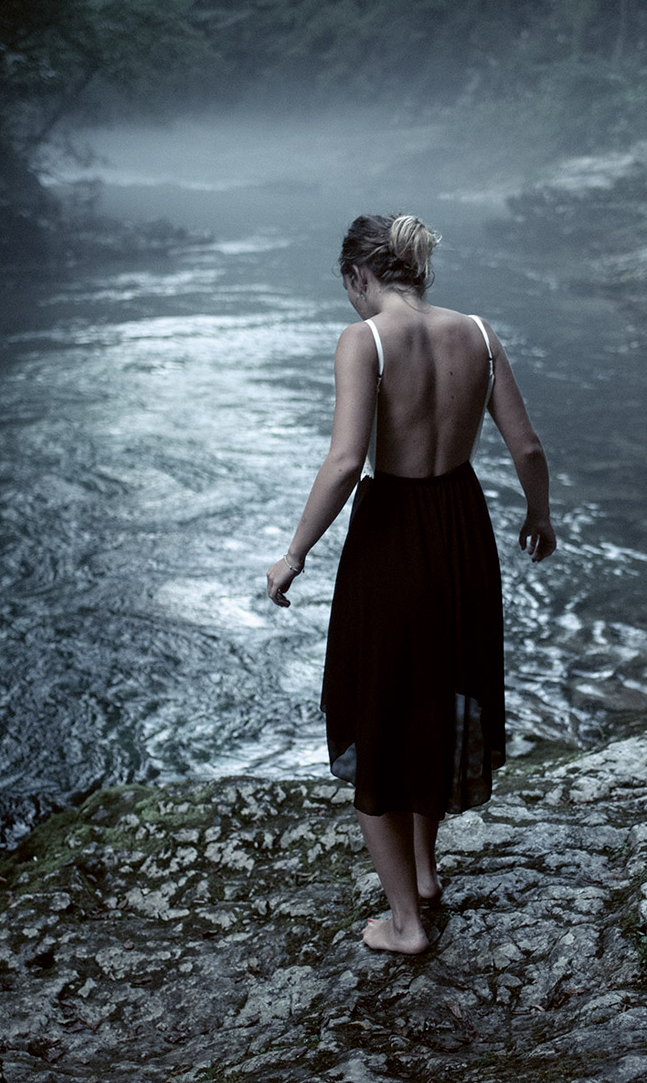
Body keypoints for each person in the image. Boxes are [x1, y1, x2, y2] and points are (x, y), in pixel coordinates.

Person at [266, 213, 555, 955]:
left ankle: (404, 922)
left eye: (347, 287)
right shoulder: (479, 335)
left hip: (393, 533)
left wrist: (294, 554)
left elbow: (344, 462)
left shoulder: (363, 341)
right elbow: (527, 447)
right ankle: (425, 874)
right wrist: (539, 517)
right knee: (439, 696)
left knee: (376, 713)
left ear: (358, 275)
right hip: (462, 531)